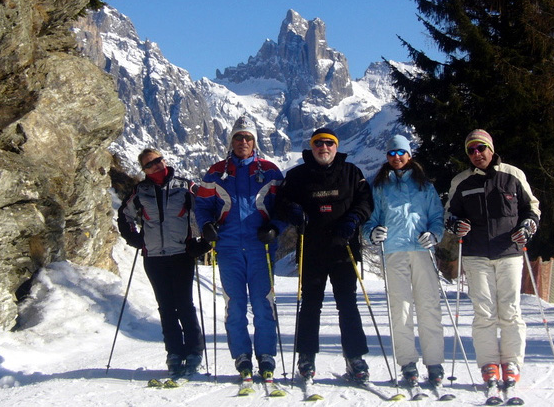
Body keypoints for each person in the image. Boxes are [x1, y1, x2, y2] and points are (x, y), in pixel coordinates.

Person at [276, 127, 374, 383]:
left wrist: (353, 218)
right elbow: (281, 202)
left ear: (336, 147)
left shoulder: (352, 173)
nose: (324, 147)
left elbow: (365, 202)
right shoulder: (297, 175)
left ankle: (355, 358)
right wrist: (293, 210)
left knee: (348, 305)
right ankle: (306, 356)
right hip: (312, 250)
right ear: (312, 147)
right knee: (310, 305)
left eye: (329, 143)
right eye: (319, 143)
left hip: (344, 249)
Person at [444, 129, 540, 389]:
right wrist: (456, 225)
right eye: (471, 151)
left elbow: (531, 207)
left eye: (481, 148)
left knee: (510, 310)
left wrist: (528, 225)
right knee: (484, 312)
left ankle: (511, 363)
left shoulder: (513, 175)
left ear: (491, 148)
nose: (477, 154)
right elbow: (449, 215)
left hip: (509, 253)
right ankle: (488, 363)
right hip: (476, 255)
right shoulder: (461, 181)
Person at [194, 115, 286, 380]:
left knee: (262, 304)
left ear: (254, 142)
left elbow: (283, 206)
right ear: (231, 141)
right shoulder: (216, 172)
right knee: (234, 305)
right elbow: (202, 205)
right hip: (229, 247)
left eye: (247, 137)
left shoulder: (269, 170)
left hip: (261, 248)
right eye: (238, 137)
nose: (243, 141)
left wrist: (275, 227)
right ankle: (242, 357)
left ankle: (266, 355)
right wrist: (206, 226)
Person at [361, 134, 446, 388]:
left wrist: (435, 234)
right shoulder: (379, 186)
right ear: (387, 158)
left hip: (421, 251)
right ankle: (408, 363)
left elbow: (437, 217)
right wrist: (372, 233)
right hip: (394, 252)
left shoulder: (424, 186)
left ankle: (434, 362)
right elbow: (370, 219)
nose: (396, 158)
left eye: (400, 153)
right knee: (401, 309)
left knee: (429, 306)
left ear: (409, 155)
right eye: (391, 154)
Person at [117, 148, 205, 378]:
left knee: (184, 304)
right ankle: (174, 353)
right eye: (149, 164)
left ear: (164, 160)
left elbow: (206, 209)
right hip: (154, 257)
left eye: (157, 160)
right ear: (144, 170)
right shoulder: (140, 191)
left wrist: (204, 242)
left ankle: (194, 351)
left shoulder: (184, 186)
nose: (156, 165)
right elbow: (124, 214)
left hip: (181, 254)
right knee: (166, 307)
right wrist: (133, 238)